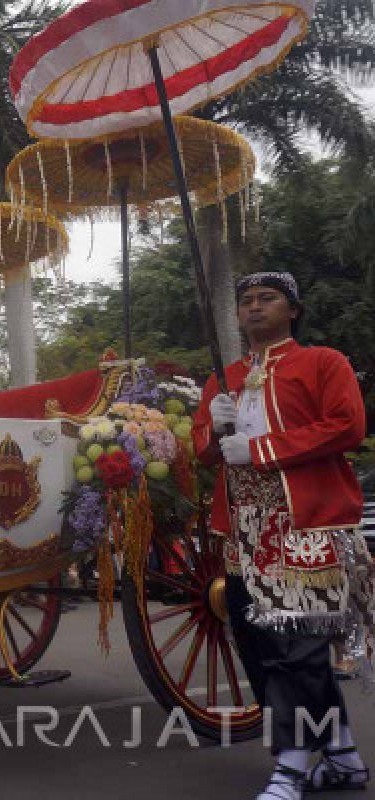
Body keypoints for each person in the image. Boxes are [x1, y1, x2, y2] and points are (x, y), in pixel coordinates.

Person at [192, 272, 373, 799]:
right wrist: (213, 429)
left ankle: (291, 766)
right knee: (262, 651)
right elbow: (202, 453)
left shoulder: (323, 363)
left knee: (299, 649)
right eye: (245, 300)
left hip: (307, 526)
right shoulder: (221, 378)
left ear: (293, 309)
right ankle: (341, 755)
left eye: (267, 299)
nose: (253, 308)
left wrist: (262, 448)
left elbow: (347, 425)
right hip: (243, 532)